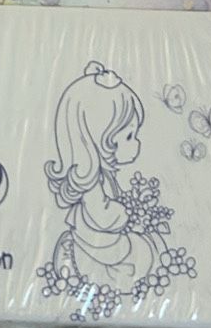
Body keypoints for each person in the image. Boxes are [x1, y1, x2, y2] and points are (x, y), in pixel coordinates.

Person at [44, 60, 155, 292]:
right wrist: (124, 213)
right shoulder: (92, 183)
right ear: (102, 140)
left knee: (144, 249)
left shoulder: (100, 175)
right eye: (129, 136)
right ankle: (86, 271)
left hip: (102, 238)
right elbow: (102, 215)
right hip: (98, 242)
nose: (137, 143)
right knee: (142, 254)